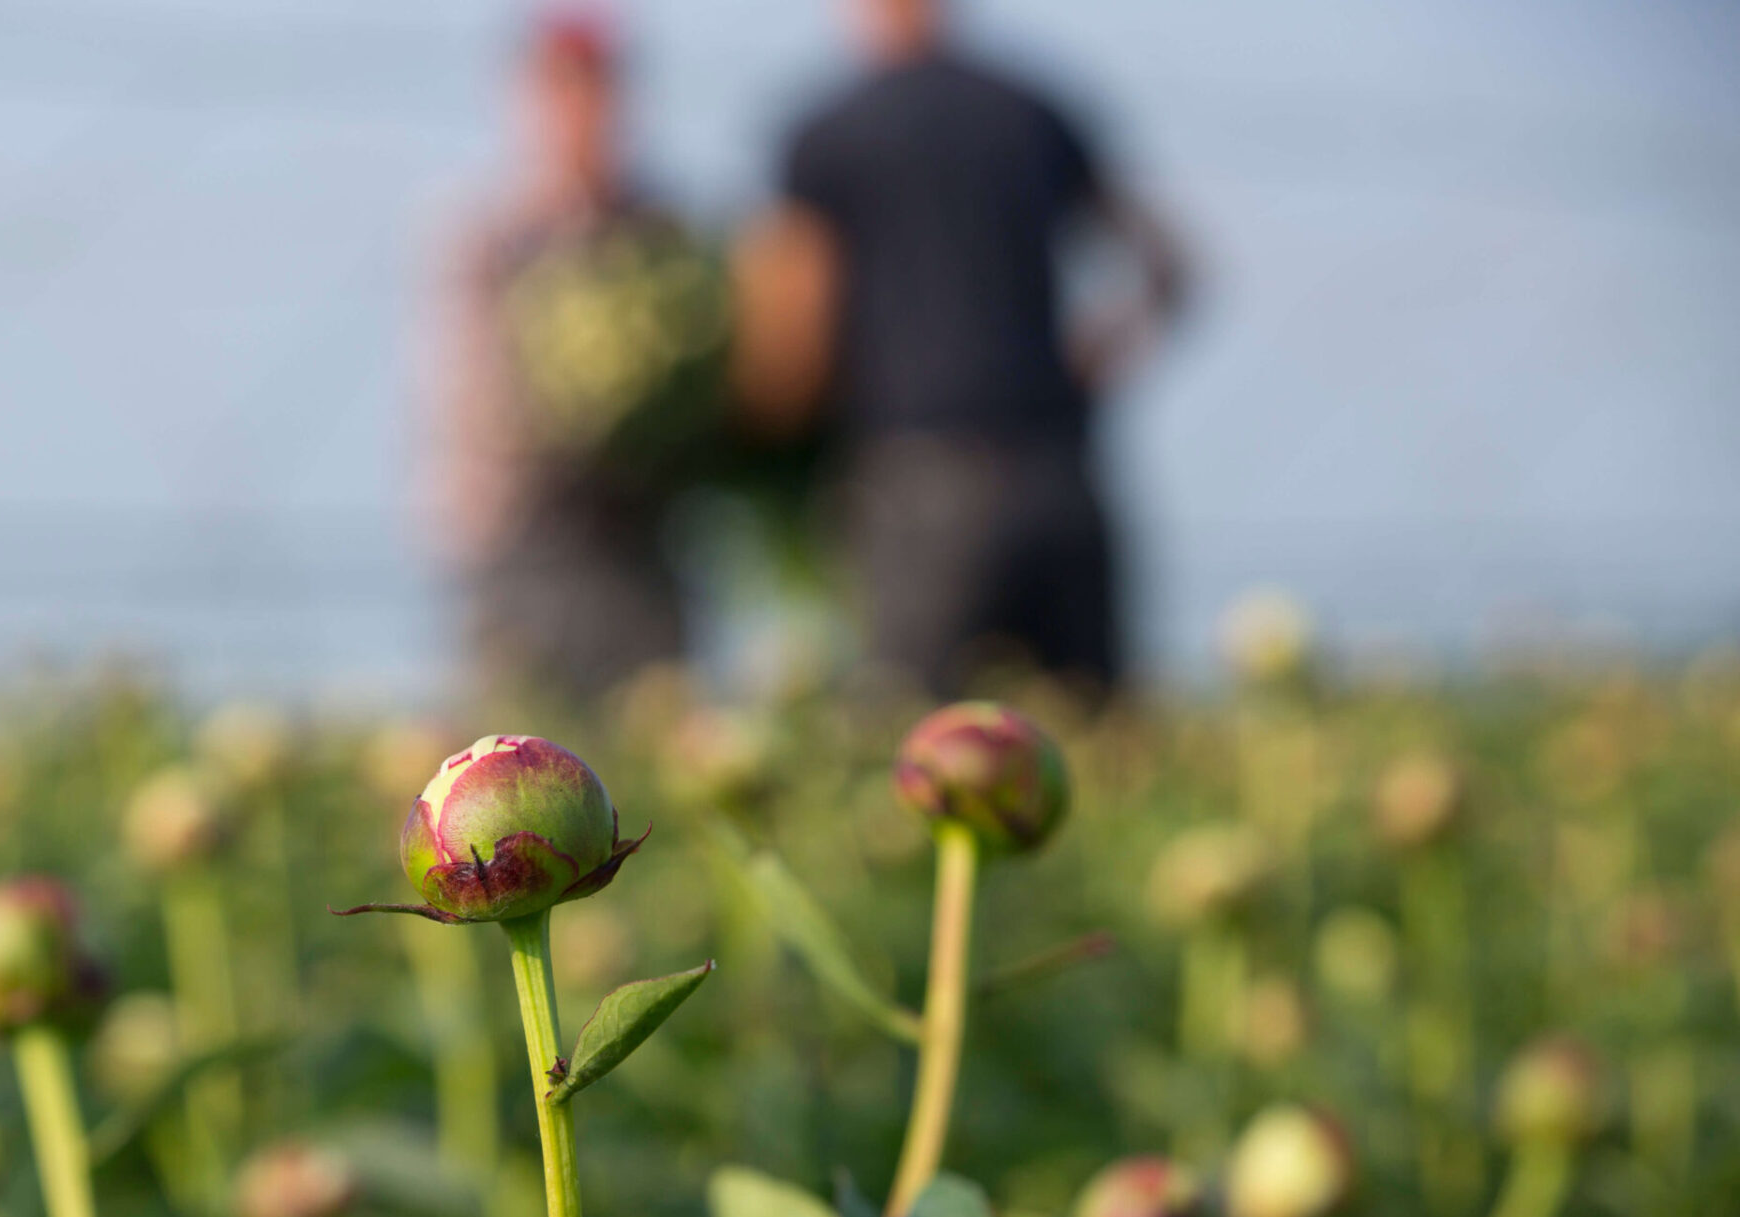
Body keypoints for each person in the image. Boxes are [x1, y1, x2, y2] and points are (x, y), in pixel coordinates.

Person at [734, 0, 1187, 698]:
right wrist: (1091, 360)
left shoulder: (829, 132)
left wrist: (747, 431)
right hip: (1057, 472)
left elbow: (795, 342)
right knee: (1096, 744)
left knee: (916, 742)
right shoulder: (1032, 107)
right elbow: (1168, 269)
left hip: (919, 483)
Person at [427, 13, 697, 703]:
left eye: (596, 93)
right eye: (563, 93)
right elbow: (470, 400)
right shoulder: (491, 236)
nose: (582, 114)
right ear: (530, 104)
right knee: (518, 756)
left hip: (638, 543)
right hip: (517, 540)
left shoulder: (661, 233)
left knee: (640, 758)